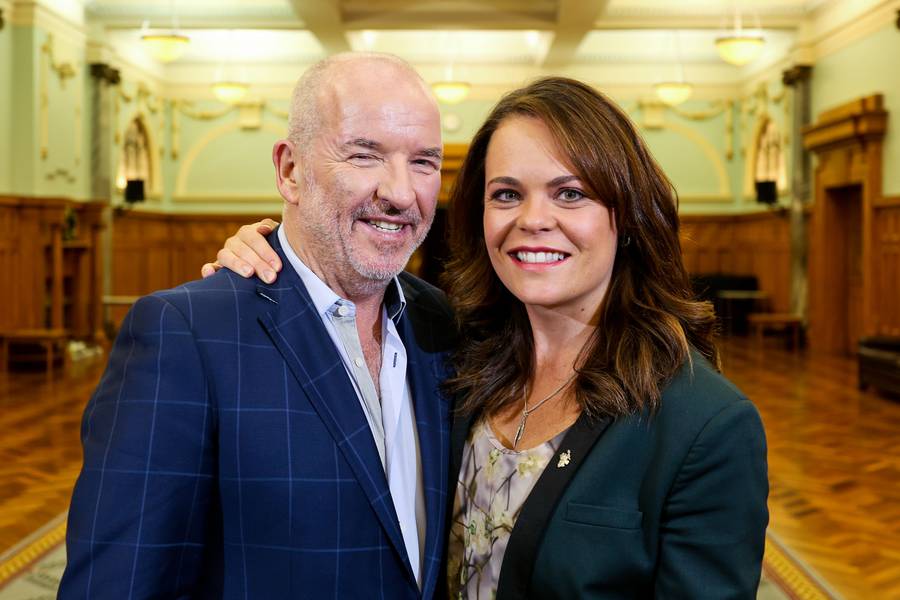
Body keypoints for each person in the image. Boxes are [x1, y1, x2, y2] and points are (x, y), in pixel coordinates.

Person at [208, 78, 769, 598]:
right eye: (506, 194)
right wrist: (274, 251)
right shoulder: (448, 351)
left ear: (626, 215)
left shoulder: (706, 422)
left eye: (569, 193)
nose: (533, 219)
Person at [59, 53, 457, 599]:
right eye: (365, 154)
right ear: (290, 170)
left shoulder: (444, 324)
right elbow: (120, 586)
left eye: (424, 162)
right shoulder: (186, 335)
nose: (401, 192)